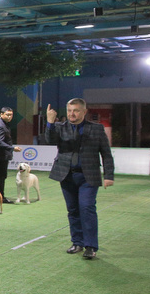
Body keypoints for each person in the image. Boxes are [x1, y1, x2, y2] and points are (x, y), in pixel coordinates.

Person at [42, 98, 114, 259]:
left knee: (87, 208)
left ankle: (91, 246)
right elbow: (49, 140)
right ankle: (77, 243)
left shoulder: (96, 129)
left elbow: (106, 153)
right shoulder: (59, 127)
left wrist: (109, 175)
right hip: (66, 175)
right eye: (69, 111)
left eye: (75, 110)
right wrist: (50, 122)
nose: (71, 114)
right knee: (73, 210)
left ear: (84, 112)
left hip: (89, 176)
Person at [0, 107, 21, 203]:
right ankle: (0, 197)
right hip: (0, 156)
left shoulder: (4, 124)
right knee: (0, 177)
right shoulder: (0, 125)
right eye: (7, 115)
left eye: (11, 115)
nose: (9, 117)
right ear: (1, 114)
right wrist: (12, 148)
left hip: (1, 155)